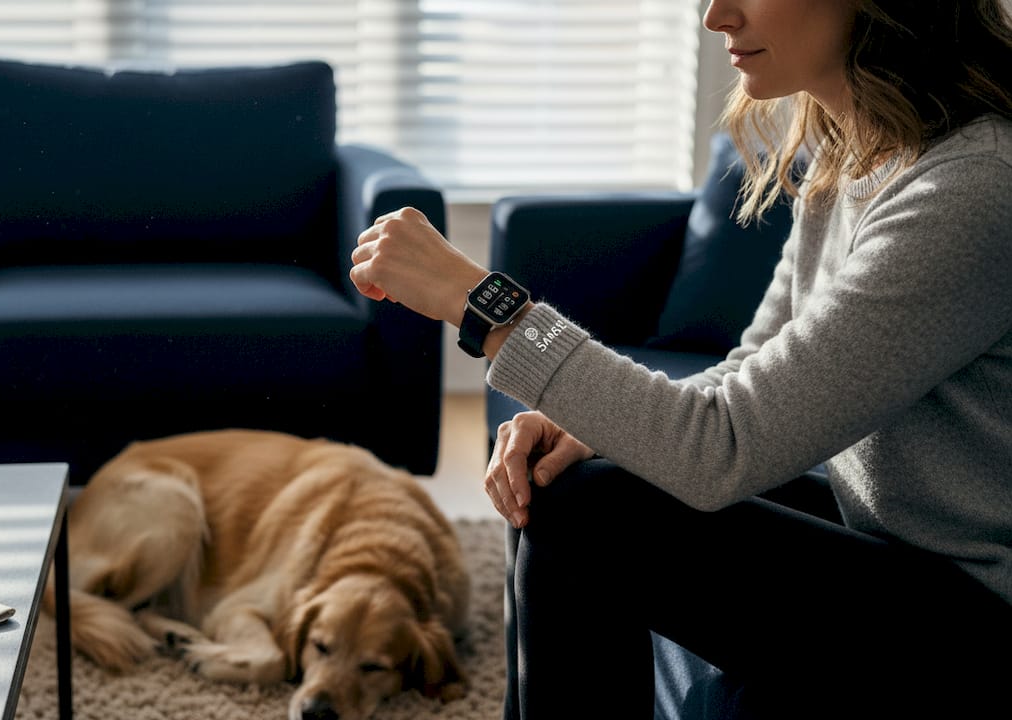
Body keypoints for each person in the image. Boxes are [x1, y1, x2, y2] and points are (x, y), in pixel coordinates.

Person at [349, 0, 1012, 717]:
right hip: (894, 545)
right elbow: (753, 368)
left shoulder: (974, 186)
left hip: (980, 612)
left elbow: (723, 445)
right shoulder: (856, 148)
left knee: (590, 509)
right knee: (569, 475)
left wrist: (486, 305)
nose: (715, 15)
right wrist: (596, 428)